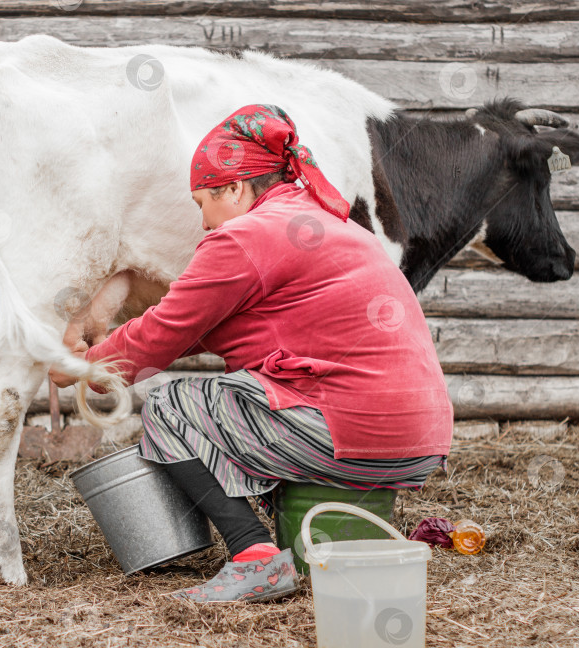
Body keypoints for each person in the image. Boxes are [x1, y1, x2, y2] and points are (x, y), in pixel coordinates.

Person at [51, 104, 453, 602]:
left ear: (236, 189)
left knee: (171, 407)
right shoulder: (329, 226)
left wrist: (80, 367)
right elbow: (197, 330)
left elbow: (163, 333)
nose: (203, 221)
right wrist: (105, 350)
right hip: (417, 439)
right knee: (236, 402)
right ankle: (309, 535)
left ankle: (253, 556)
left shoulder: (246, 237)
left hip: (353, 427)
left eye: (203, 201)